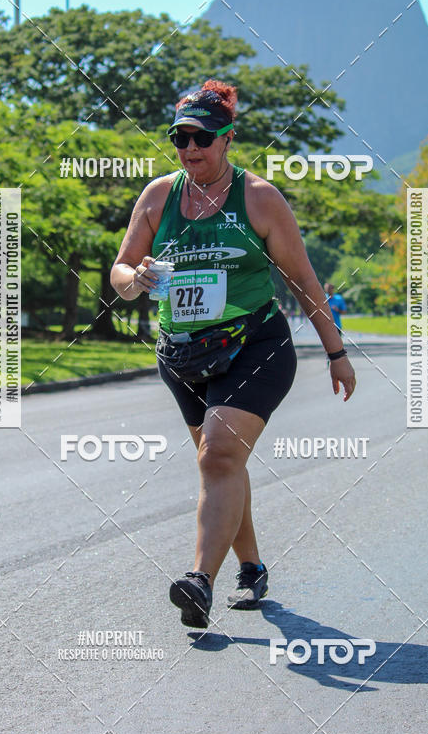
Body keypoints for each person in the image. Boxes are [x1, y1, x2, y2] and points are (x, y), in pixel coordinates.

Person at [110, 80, 356, 629]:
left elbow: (303, 281)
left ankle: (199, 581)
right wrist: (136, 277)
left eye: (203, 138)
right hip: (182, 354)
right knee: (223, 463)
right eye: (181, 138)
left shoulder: (260, 198)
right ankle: (252, 566)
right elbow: (121, 271)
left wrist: (336, 351)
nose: (191, 149)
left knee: (218, 454)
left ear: (228, 140)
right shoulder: (157, 197)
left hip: (256, 346)